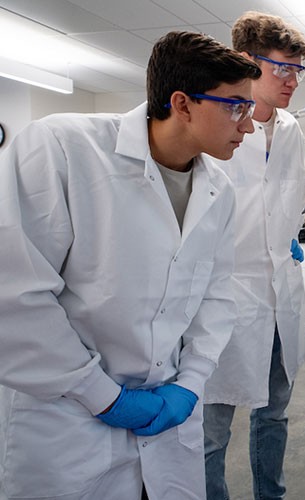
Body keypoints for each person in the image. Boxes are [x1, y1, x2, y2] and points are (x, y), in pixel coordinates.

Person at [0, 31, 261, 500]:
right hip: (66, 419)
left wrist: (192, 382)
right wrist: (103, 396)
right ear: (182, 104)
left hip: (168, 411)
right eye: (236, 106)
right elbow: (15, 297)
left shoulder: (219, 188)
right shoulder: (62, 149)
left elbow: (216, 295)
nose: (249, 124)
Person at [201, 12, 305, 500]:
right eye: (282, 68)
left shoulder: (290, 130)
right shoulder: (213, 130)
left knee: (274, 415)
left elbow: (289, 200)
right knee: (211, 430)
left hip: (279, 296)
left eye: (297, 70)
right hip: (226, 300)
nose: (291, 80)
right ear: (247, 62)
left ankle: (272, 495)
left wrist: (284, 240)